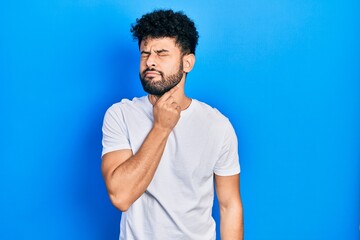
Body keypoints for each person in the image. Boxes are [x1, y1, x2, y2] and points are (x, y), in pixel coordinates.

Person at [101, 9, 243, 240]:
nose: (150, 62)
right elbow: (121, 196)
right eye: (145, 53)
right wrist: (161, 127)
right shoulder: (120, 115)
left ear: (187, 62)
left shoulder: (218, 125)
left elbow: (229, 206)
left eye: (161, 53)